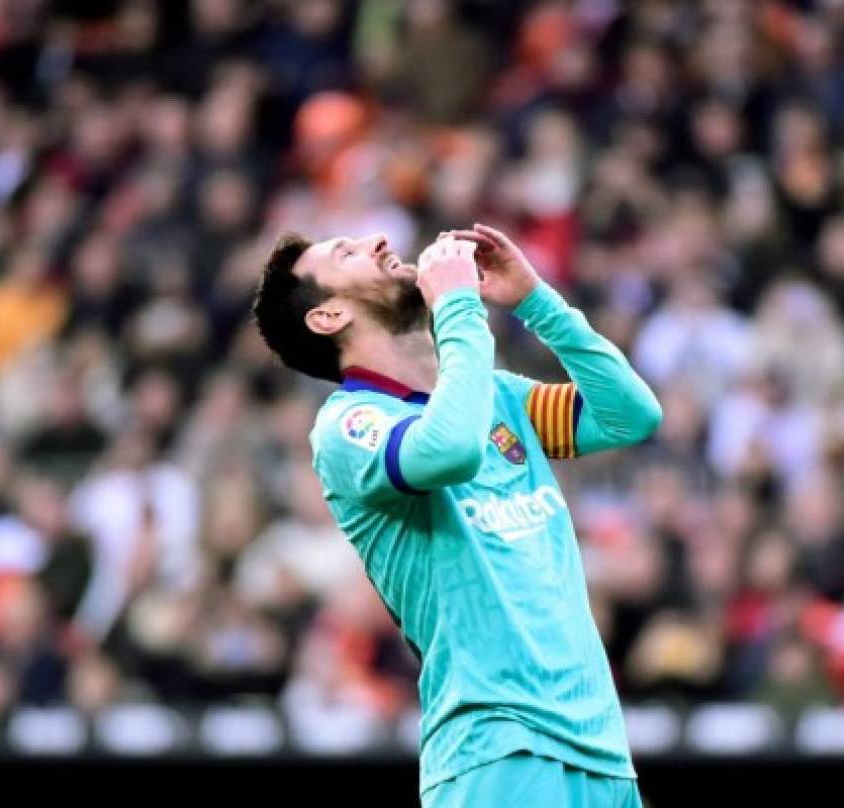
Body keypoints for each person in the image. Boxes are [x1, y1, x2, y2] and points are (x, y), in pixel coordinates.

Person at [251, 224, 661, 806]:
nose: (375, 241)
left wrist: (534, 301)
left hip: (601, 753)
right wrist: (458, 307)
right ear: (328, 317)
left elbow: (629, 415)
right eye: (345, 253)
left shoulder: (496, 399)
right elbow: (449, 449)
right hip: (499, 752)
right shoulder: (347, 426)